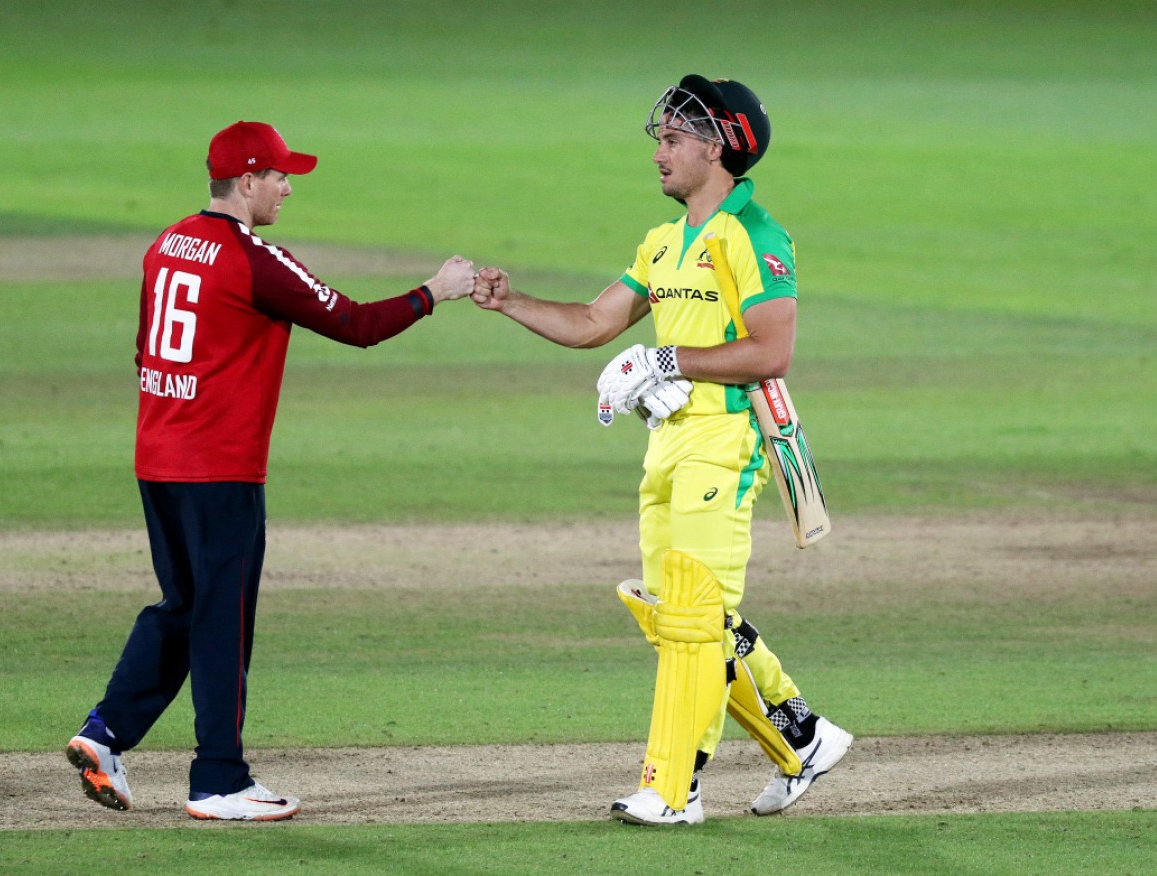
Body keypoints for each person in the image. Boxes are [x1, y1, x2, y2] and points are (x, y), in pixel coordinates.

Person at [65, 120, 475, 821]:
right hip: (219, 469)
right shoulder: (251, 257)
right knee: (221, 620)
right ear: (247, 181)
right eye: (280, 175)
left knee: (184, 607)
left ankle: (104, 735)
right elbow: (354, 324)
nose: (288, 187)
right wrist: (436, 290)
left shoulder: (166, 243)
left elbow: (144, 353)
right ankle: (218, 780)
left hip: (158, 456)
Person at [472, 76, 851, 825]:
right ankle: (800, 737)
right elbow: (590, 321)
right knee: (678, 618)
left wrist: (668, 361)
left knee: (692, 621)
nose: (658, 153)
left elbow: (771, 351)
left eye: (673, 138)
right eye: (659, 138)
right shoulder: (663, 243)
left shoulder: (755, 236)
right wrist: (509, 301)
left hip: (726, 443)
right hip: (667, 446)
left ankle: (674, 788)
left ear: (718, 147)